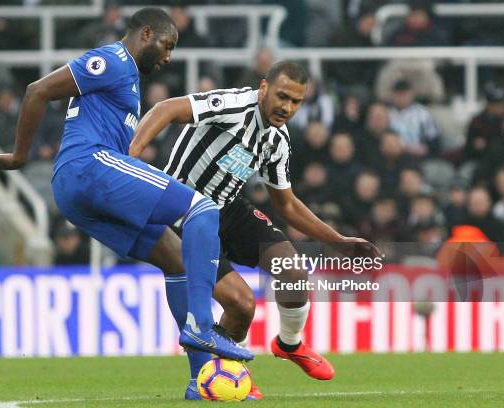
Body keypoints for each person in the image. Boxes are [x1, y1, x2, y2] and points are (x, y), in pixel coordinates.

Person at [0, 8, 253, 365]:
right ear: (147, 33)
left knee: (174, 258)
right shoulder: (113, 59)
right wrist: (19, 155)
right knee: (202, 209)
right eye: (167, 46)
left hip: (79, 191)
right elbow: (37, 91)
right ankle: (202, 325)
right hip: (88, 166)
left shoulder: (129, 79)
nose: (168, 57)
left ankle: (202, 377)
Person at [130, 60, 380, 400]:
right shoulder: (233, 105)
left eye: (296, 102)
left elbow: (287, 204)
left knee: (292, 271)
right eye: (282, 96)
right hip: (183, 212)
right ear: (263, 88)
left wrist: (336, 241)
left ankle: (289, 344)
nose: (286, 107)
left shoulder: (276, 140)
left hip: (228, 210)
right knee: (242, 305)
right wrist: (131, 155)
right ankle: (216, 377)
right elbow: (168, 107)